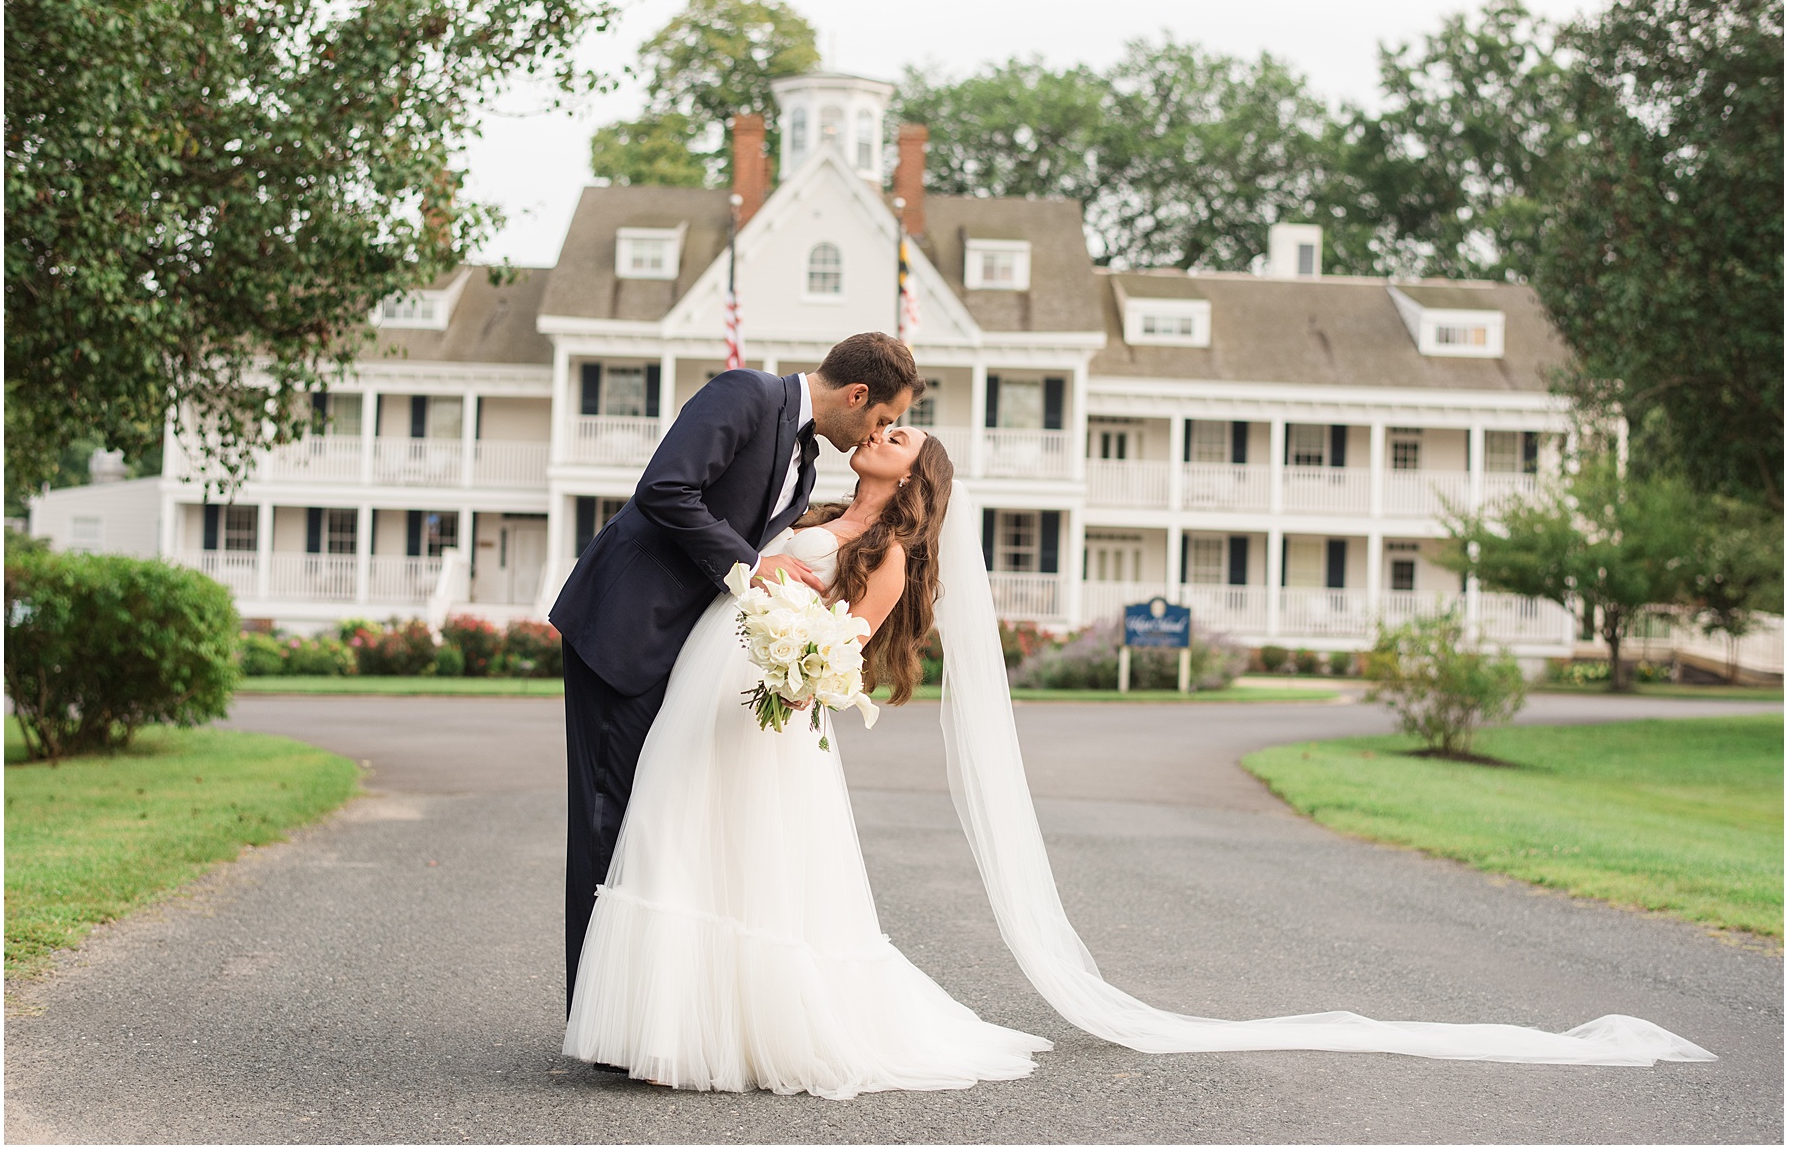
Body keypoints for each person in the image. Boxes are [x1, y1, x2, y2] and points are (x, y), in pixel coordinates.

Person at [562, 431, 1717, 1098]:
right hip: (717, 715)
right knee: (684, 852)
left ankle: (747, 1028)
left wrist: (789, 635)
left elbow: (848, 647)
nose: (883, 431)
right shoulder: (816, 504)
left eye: (900, 434)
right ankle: (675, 1022)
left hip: (776, 721)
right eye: (889, 423)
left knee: (761, 877)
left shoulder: (894, 548)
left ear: (916, 479)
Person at [549, 331, 923, 1012]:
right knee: (609, 817)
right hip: (625, 628)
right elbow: (664, 490)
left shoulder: (806, 466)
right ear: (858, 394)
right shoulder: (746, 395)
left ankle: (641, 1007)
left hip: (685, 652)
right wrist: (752, 567)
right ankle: (601, 1015)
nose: (879, 431)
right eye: (881, 419)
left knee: (655, 824)